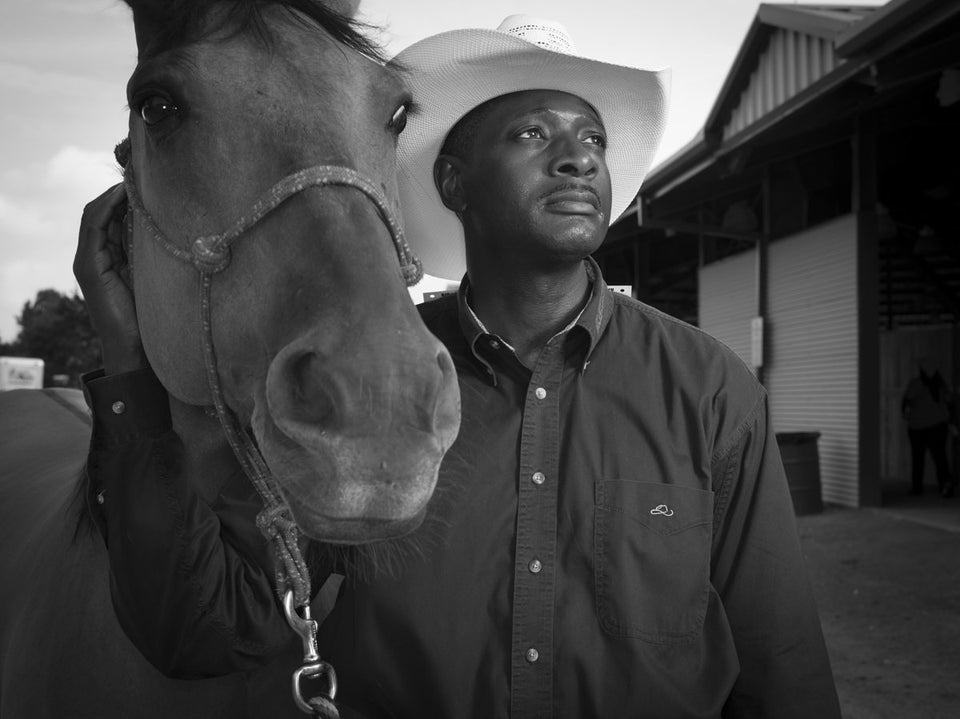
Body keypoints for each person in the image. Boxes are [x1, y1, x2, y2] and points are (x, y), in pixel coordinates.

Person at [76, 15, 841, 718]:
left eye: (595, 140)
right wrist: (130, 369)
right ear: (453, 183)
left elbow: (781, 667)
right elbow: (207, 630)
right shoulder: (360, 388)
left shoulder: (711, 387)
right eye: (534, 133)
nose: (579, 158)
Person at [902, 357, 956, 498]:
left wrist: (906, 416)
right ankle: (945, 486)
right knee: (940, 458)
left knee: (918, 458)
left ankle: (917, 487)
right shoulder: (941, 385)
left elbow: (906, 403)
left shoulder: (916, 384)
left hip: (918, 428)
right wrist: (951, 421)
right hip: (938, 426)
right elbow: (950, 403)